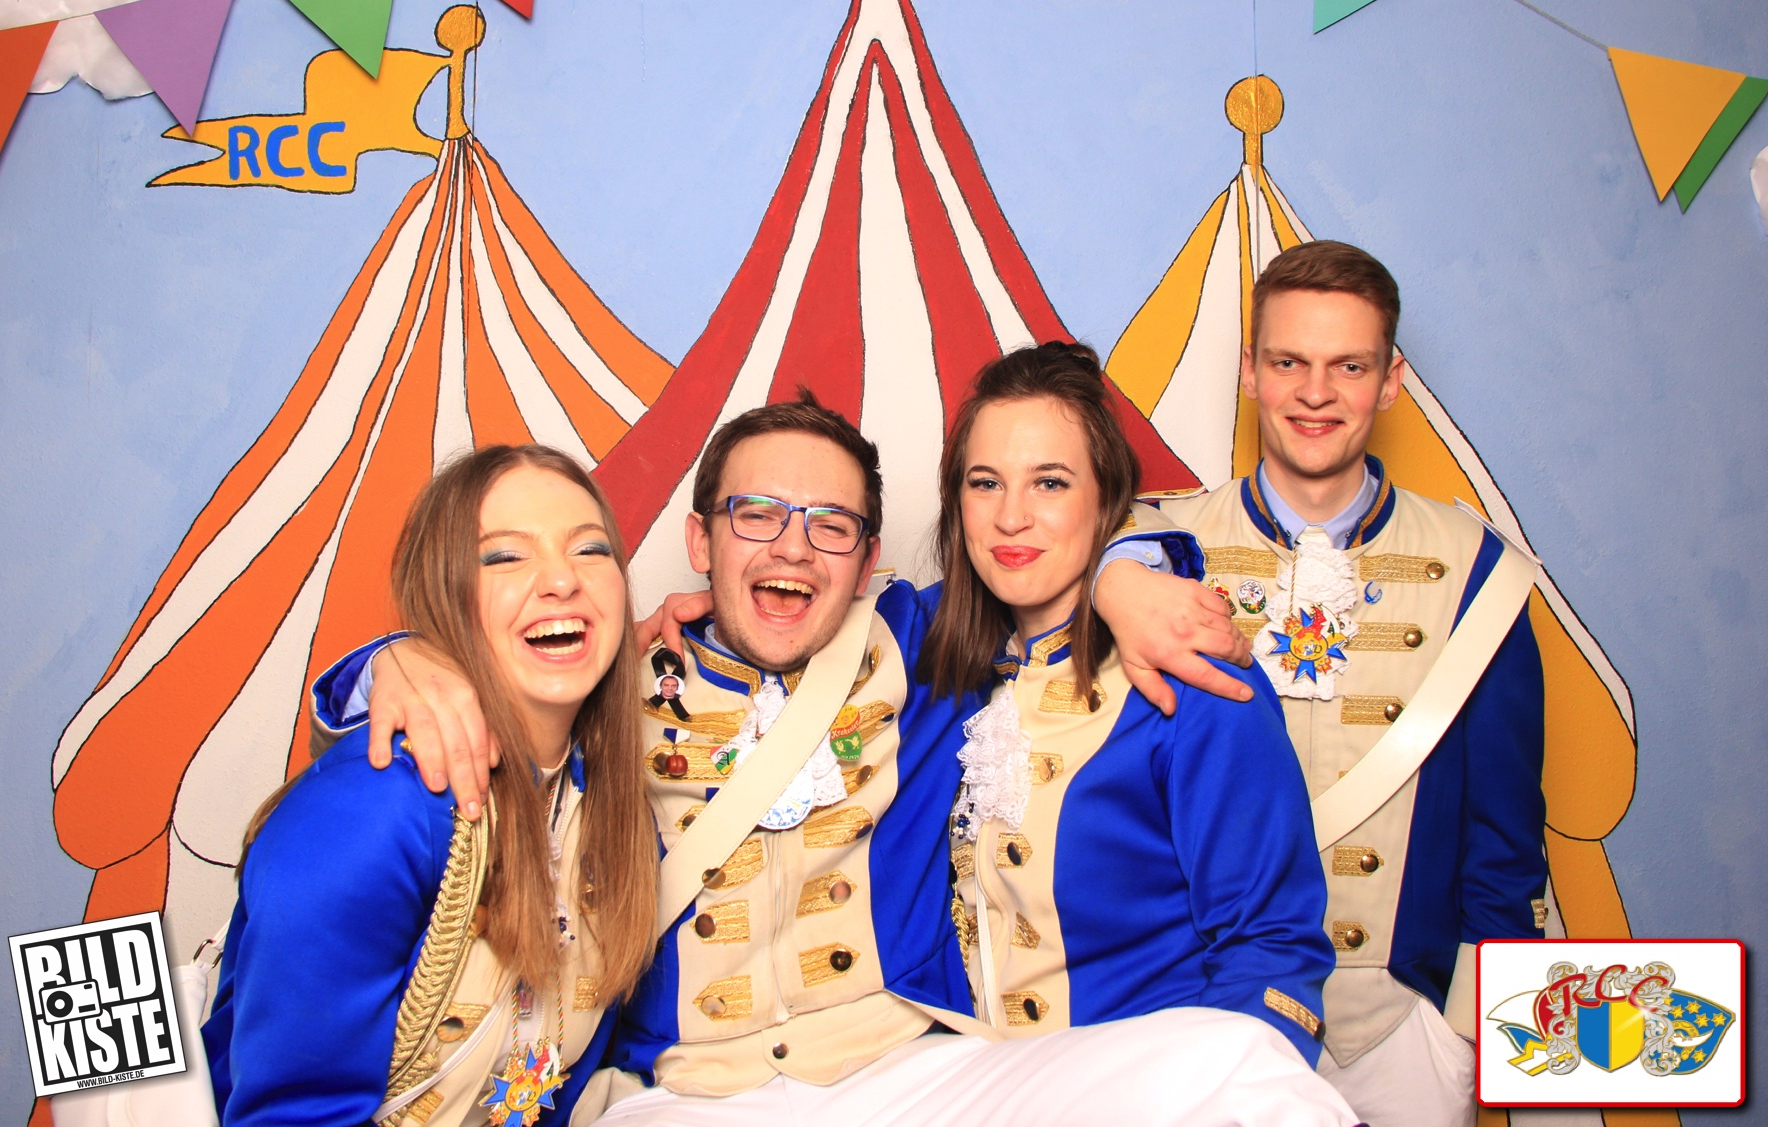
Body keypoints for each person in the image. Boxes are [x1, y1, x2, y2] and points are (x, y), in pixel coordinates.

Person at [313, 397, 1269, 1124]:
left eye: (831, 525)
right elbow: (483, 667)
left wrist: (1124, 575)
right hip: (686, 1095)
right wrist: (394, 657)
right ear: (700, 539)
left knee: (1234, 1063)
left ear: (867, 560)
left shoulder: (922, 645)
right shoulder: (603, 679)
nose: (794, 548)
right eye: (757, 514)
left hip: (908, 1076)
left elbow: (1040, 553)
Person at [1142, 241, 1547, 1127]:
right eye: (1289, 362)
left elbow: (1505, 828)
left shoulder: (1478, 570)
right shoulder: (1157, 552)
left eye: (1349, 366)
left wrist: (1462, 1027)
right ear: (1249, 371)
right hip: (1200, 1002)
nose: (1315, 393)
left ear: (1390, 381)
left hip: (1401, 1020)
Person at [918, 344, 1344, 1106]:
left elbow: (1271, 945)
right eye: (985, 483)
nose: (1011, 516)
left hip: (1153, 1095)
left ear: (1106, 500)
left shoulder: (1198, 678)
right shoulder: (931, 659)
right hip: (973, 1095)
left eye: (1051, 482)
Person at [204, 445, 658, 1126]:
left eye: (590, 550)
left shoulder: (602, 803)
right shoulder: (378, 806)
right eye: (505, 556)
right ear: (446, 593)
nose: (563, 579)